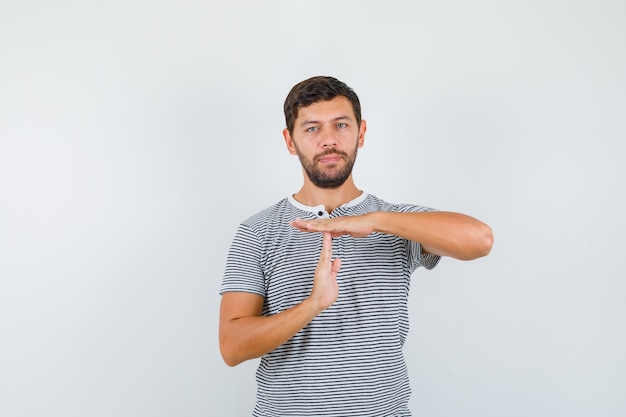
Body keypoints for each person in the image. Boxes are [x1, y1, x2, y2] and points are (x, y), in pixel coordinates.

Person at [219, 75, 493, 417]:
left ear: (361, 133)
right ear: (290, 141)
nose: (329, 140)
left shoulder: (396, 221)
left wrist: (375, 220)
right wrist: (312, 304)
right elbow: (231, 347)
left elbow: (479, 240)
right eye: (312, 129)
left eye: (341, 125)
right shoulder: (257, 231)